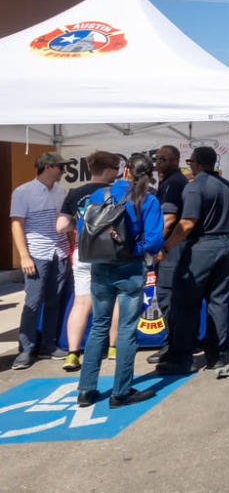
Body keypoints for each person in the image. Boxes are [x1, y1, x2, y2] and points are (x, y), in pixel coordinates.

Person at [76, 154, 164, 409]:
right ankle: (121, 392)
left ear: (125, 171)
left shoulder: (98, 195)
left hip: (100, 267)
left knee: (99, 326)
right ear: (148, 175)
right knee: (126, 329)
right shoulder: (148, 200)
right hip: (130, 268)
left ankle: (86, 390)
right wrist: (137, 250)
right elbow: (155, 241)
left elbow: (83, 230)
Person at [155, 146, 229, 374]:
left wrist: (166, 246)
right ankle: (216, 355)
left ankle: (181, 359)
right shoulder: (227, 186)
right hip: (226, 245)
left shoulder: (194, 187)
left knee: (185, 303)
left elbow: (187, 223)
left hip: (202, 246)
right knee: (219, 301)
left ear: (195, 163)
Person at [55, 151, 122, 372]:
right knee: (116, 301)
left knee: (81, 303)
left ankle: (72, 354)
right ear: (109, 170)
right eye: (116, 168)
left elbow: (61, 226)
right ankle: (113, 349)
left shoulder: (76, 193)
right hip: (111, 253)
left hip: (83, 253)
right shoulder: (115, 191)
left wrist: (80, 226)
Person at [10, 151, 71, 370]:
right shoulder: (22, 192)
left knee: (54, 301)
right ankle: (26, 349)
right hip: (36, 254)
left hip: (59, 253)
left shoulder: (61, 192)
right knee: (32, 302)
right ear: (48, 167)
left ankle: (48, 345)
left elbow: (65, 222)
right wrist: (24, 256)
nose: (64, 171)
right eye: (60, 167)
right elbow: (16, 224)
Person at [148, 144, 188, 364]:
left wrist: (157, 246)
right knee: (171, 299)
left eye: (163, 159)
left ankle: (173, 348)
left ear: (175, 160)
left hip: (171, 250)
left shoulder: (173, 183)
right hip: (175, 248)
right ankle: (175, 344)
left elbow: (169, 219)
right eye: (156, 158)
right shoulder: (170, 182)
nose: (158, 163)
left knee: (168, 298)